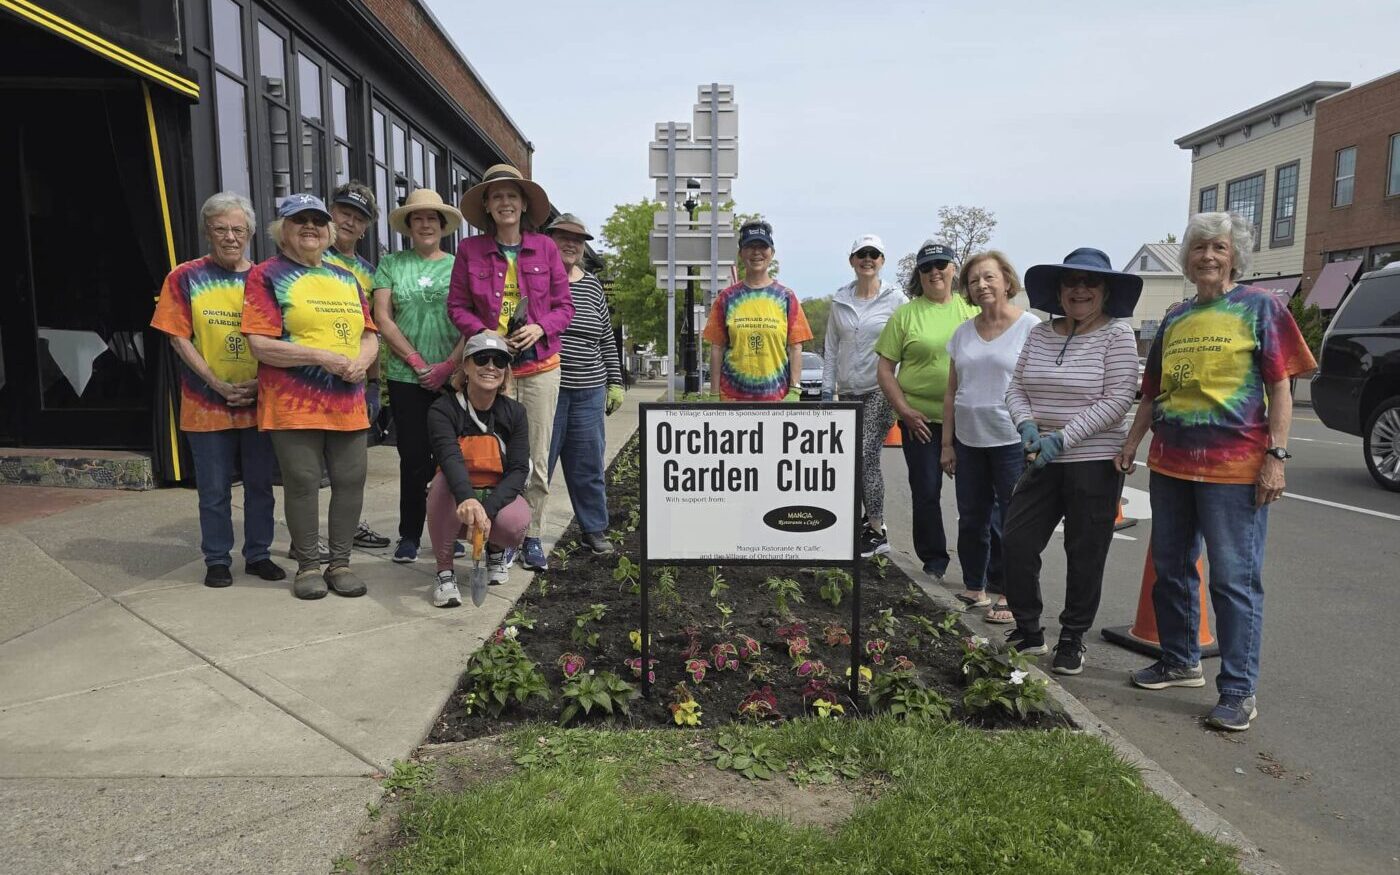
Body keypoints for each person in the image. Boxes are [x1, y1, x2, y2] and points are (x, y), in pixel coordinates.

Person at [1118, 212, 1315, 731]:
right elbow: (1152, 391)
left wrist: (1276, 456)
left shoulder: (1261, 308)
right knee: (1172, 568)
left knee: (1233, 581)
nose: (1208, 256)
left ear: (1235, 256)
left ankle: (1238, 690)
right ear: (1186, 256)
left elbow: (1280, 387)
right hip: (1172, 463)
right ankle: (1181, 661)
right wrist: (1133, 442)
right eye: (1200, 247)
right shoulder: (1176, 318)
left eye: (1219, 248)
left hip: (1236, 468)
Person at [1001, 248, 1142, 673]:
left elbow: (1118, 399)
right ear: (1059, 291)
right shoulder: (1041, 334)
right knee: (1016, 542)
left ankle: (1072, 637)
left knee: (1085, 552)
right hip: (1040, 458)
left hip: (1094, 462)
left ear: (1105, 291)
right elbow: (1016, 387)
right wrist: (1026, 424)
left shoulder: (1118, 336)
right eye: (1071, 282)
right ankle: (1029, 629)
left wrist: (1063, 438)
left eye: (1090, 283)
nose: (1079, 290)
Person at [241, 193, 379, 600]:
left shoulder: (346, 278)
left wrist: (362, 360)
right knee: (302, 482)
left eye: (317, 222)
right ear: (281, 230)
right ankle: (308, 566)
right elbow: (260, 345)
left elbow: (370, 333)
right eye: (298, 220)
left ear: (329, 231)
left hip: (347, 400)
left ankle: (341, 563)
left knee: (351, 480)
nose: (310, 227)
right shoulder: (266, 275)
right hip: (293, 402)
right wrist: (320, 356)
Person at [150, 192, 284, 588]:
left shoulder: (267, 279)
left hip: (261, 400)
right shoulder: (185, 276)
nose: (230, 236)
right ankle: (217, 559)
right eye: (221, 228)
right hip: (204, 401)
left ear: (251, 234)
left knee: (261, 484)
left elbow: (284, 336)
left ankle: (259, 553)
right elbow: (178, 337)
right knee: (213, 488)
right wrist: (216, 382)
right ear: (208, 231)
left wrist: (259, 384)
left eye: (238, 229)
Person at [448, 164, 574, 573]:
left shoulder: (546, 248)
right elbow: (457, 307)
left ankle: (530, 534)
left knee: (535, 457)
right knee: (487, 456)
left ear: (524, 204)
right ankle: (493, 535)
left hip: (539, 367)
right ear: (487, 204)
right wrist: (484, 333)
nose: (505, 202)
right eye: (496, 195)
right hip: (489, 368)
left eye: (512, 195)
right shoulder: (469, 251)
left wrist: (540, 326)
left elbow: (564, 307)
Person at [941, 251, 1039, 622]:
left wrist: (1036, 439)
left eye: (989, 278)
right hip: (969, 441)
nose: (981, 285)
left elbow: (1038, 388)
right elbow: (952, 391)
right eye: (973, 280)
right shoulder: (962, 333)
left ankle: (1009, 593)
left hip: (1011, 442)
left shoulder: (1030, 327)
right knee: (971, 518)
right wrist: (947, 444)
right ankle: (974, 586)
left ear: (1006, 281)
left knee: (1012, 522)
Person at [372, 188, 466, 564]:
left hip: (453, 377)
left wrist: (448, 366)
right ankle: (408, 535)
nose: (425, 224)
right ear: (409, 225)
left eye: (432, 218)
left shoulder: (459, 265)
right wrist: (415, 360)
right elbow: (382, 317)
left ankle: (449, 532)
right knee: (412, 459)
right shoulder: (391, 263)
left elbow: (470, 321)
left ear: (442, 225)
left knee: (451, 459)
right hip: (405, 376)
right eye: (418, 218)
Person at [874, 242, 978, 579]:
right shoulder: (906, 314)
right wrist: (903, 409)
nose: (935, 272)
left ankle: (982, 568)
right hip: (920, 421)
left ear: (953, 269)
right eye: (927, 267)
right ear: (919, 274)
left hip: (966, 419)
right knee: (926, 491)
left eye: (941, 264)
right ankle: (934, 562)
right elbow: (885, 369)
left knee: (974, 497)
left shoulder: (971, 311)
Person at [425, 332, 531, 607]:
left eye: (499, 361)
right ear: (466, 367)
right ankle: (444, 571)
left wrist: (487, 511)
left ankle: (495, 551)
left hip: (494, 495)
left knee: (516, 521)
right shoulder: (443, 409)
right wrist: (468, 500)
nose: (491, 366)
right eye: (482, 359)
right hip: (457, 497)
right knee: (439, 485)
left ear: (506, 371)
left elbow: (519, 470)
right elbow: (449, 459)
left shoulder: (515, 413)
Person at [544, 212, 624, 556]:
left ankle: (594, 529)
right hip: (547, 386)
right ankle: (524, 532)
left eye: (577, 240)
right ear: (550, 240)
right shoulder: (539, 280)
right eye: (563, 237)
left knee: (588, 465)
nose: (571, 244)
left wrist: (615, 381)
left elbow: (606, 336)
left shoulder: (592, 285)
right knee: (537, 465)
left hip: (589, 389)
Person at [822, 234, 903, 557]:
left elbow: (908, 342)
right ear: (852, 260)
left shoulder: (897, 299)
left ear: (882, 261)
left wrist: (901, 387)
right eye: (861, 254)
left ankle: (877, 528)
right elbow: (831, 348)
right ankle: (857, 521)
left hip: (880, 389)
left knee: (865, 454)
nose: (867, 259)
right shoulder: (840, 300)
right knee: (846, 458)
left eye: (874, 254)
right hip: (848, 392)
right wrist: (828, 391)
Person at [326, 181, 392, 552]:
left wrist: (373, 383)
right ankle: (301, 539)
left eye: (358, 218)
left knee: (349, 469)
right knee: (304, 472)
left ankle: (349, 527)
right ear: (330, 212)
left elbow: (376, 331)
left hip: (353, 380)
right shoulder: (306, 259)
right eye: (344, 212)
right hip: (307, 380)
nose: (349, 222)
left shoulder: (370, 273)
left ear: (366, 227)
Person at [703, 219, 812, 402]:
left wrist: (795, 389)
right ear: (741, 253)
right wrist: (714, 393)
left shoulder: (786, 297)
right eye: (750, 246)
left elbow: (795, 347)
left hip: (776, 400)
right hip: (732, 400)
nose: (756, 253)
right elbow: (717, 348)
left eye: (762, 246)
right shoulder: (726, 298)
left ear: (772, 252)